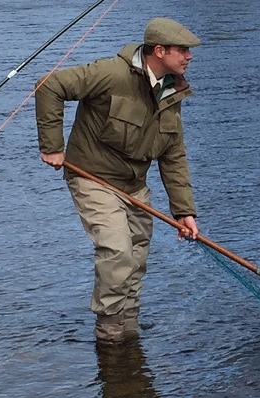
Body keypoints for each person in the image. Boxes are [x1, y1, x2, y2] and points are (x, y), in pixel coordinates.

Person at [35, 17, 201, 345]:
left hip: (134, 185)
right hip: (92, 178)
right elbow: (49, 86)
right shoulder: (110, 73)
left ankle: (129, 333)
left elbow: (173, 156)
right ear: (159, 51)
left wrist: (183, 211)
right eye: (182, 50)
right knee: (117, 251)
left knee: (136, 258)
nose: (189, 56)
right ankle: (109, 336)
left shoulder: (172, 90)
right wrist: (52, 146)